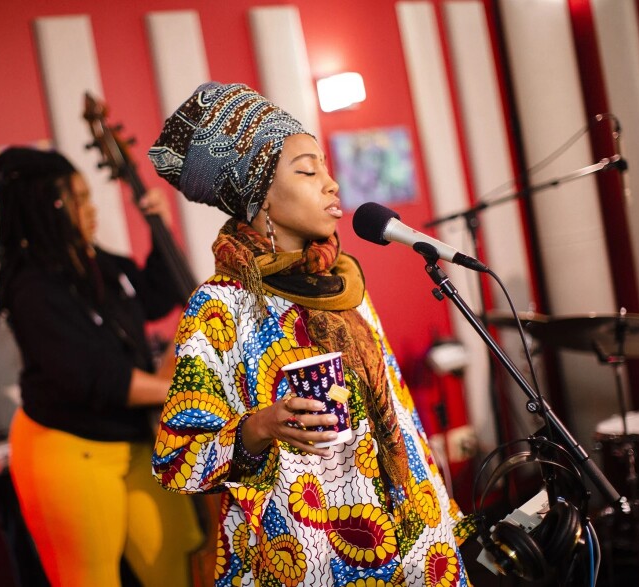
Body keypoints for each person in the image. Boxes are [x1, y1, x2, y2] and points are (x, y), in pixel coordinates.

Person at [149, 82, 473, 586]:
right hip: (308, 560)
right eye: (307, 170)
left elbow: (402, 418)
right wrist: (259, 428)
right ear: (260, 198)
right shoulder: (221, 305)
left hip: (413, 547)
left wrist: (442, 520)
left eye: (324, 166)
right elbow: (175, 459)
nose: (331, 183)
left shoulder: (345, 283)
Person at [0, 146, 202, 586]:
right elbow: (98, 379)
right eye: (78, 199)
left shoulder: (95, 262)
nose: (91, 210)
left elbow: (154, 295)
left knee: (175, 564)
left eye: (89, 196)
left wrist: (157, 227)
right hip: (69, 451)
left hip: (134, 441)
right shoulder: (33, 288)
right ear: (48, 209)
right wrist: (182, 388)